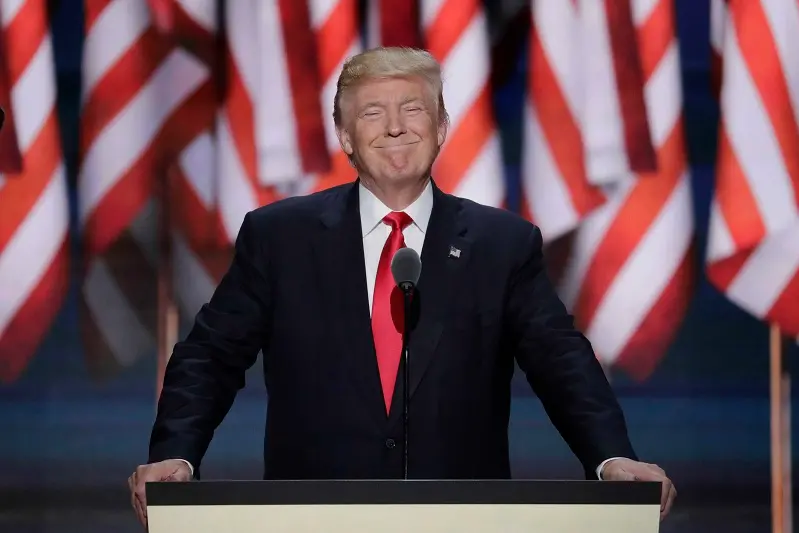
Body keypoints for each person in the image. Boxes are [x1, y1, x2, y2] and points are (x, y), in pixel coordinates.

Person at [128, 46, 675, 527]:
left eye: (413, 109)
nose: (395, 127)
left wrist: (610, 458)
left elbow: (561, 360)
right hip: (311, 518)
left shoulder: (501, 243)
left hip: (463, 520)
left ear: (440, 127)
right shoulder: (280, 237)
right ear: (344, 135)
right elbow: (210, 355)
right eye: (372, 112)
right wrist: (177, 453)